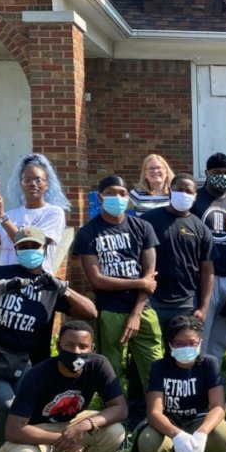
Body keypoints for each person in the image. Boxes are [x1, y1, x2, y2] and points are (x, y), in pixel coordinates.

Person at [0, 226, 96, 452]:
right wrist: (1, 288)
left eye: (34, 246)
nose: (29, 250)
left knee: (30, 410)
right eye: (23, 246)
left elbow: (90, 312)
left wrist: (63, 288)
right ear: (16, 249)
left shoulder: (48, 286)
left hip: (21, 359)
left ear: (45, 248)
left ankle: (27, 450)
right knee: (6, 406)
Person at [0, 321, 127, 452]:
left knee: (116, 431)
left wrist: (85, 424)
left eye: (83, 346)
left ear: (91, 348)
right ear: (58, 345)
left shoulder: (98, 364)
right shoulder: (36, 375)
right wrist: (65, 440)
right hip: (38, 432)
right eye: (69, 345)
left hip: (74, 423)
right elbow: (14, 430)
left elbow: (120, 408)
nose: (76, 352)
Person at [74, 175, 163, 429]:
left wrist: (136, 312)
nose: (119, 198)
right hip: (109, 311)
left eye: (123, 193)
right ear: (101, 197)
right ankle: (115, 423)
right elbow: (96, 280)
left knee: (154, 365)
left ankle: (157, 418)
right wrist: (138, 283)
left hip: (142, 310)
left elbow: (151, 277)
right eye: (112, 193)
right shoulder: (88, 232)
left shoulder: (142, 227)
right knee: (109, 369)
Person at [130, 315, 226, 452]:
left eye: (192, 343)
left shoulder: (209, 364)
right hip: (169, 424)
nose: (186, 348)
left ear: (200, 343)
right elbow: (154, 413)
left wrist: (202, 433)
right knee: (148, 443)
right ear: (170, 344)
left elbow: (218, 407)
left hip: (199, 420)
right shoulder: (159, 367)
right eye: (179, 344)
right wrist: (177, 435)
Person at [0, 152, 68, 273]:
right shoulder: (11, 215)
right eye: (27, 180)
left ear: (47, 184)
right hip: (5, 280)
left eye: (38, 180)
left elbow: (30, 245)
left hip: (34, 282)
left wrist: (2, 217)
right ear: (20, 184)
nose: (33, 184)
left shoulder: (54, 213)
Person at [192, 153, 226, 363]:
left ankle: (212, 372)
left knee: (222, 333)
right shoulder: (196, 201)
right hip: (202, 277)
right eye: (216, 173)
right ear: (207, 173)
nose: (222, 176)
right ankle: (196, 370)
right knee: (200, 328)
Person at [141, 173, 214, 332]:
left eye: (188, 191)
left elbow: (207, 270)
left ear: (195, 196)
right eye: (178, 189)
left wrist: (203, 307)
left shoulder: (201, 228)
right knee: (152, 352)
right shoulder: (148, 221)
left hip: (186, 302)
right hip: (152, 299)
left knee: (182, 351)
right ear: (169, 191)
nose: (183, 194)